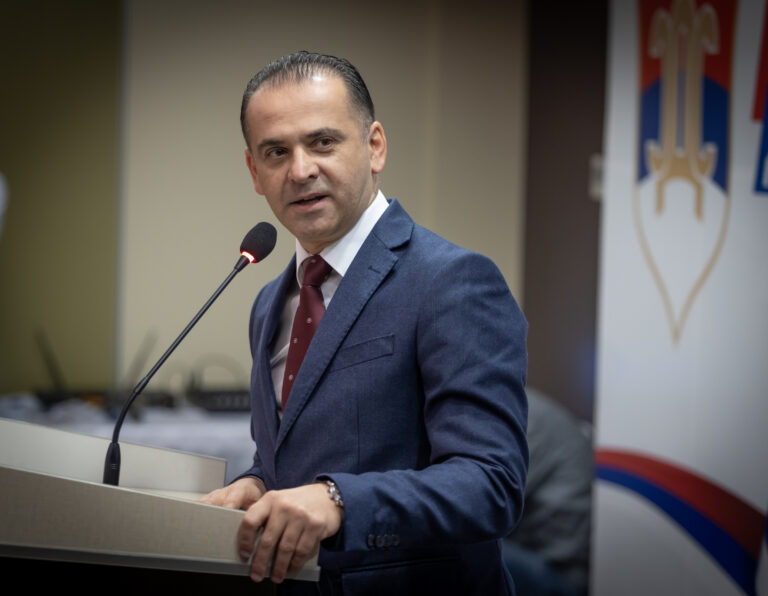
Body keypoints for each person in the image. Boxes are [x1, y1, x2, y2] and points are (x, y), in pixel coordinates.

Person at [201, 51, 529, 595]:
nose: (300, 169)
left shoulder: (453, 281)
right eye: (276, 152)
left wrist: (337, 501)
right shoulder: (267, 303)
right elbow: (293, 455)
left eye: (323, 142)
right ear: (255, 172)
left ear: (375, 146)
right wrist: (257, 483)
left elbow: (491, 484)